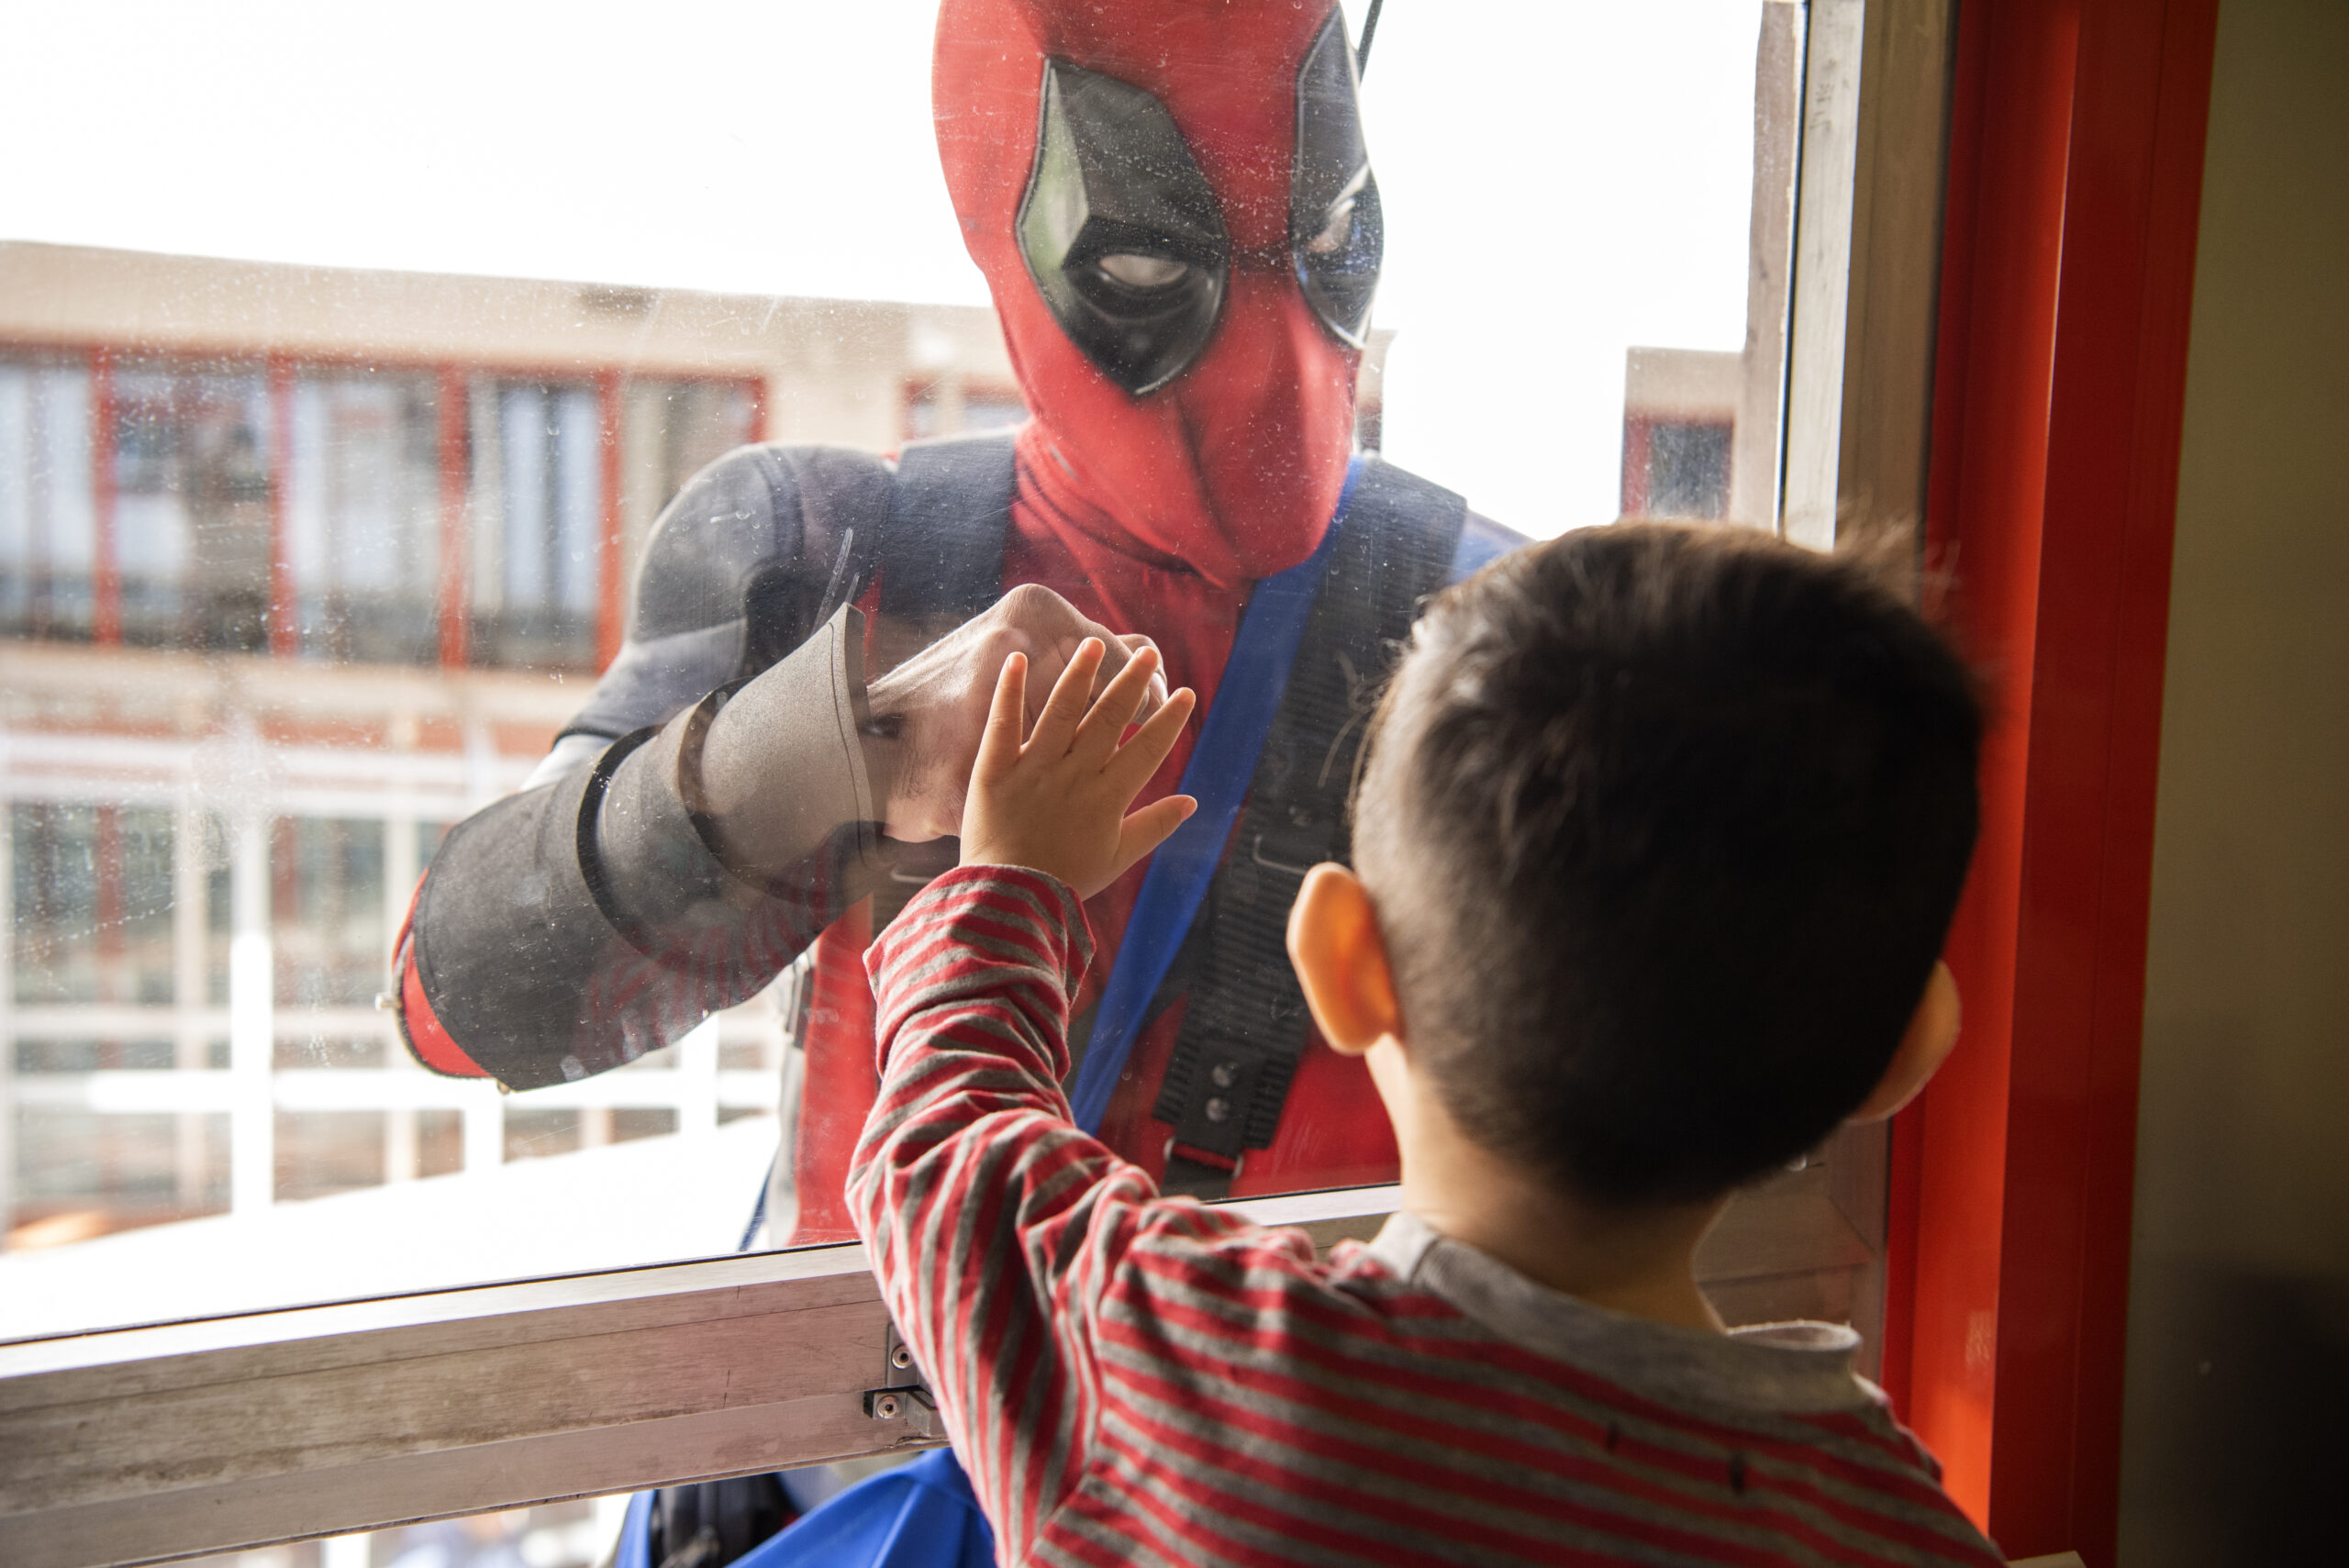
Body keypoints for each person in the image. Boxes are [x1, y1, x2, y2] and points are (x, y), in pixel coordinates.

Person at [847, 522, 2008, 1566]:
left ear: (1342, 965)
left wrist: (1013, 877)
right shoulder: (1898, 1529)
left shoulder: (1194, 1377)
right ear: (1904, 1054)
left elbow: (943, 1152)